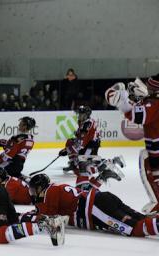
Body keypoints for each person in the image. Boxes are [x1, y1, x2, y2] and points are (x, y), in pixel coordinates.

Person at [27, 173, 159, 238]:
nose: (32, 194)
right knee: (141, 219)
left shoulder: (49, 193)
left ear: (40, 187)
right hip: (102, 199)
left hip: (96, 208)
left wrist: (29, 215)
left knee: (135, 229)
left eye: (33, 190)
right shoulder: (55, 188)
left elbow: (50, 219)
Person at [106, 75, 159, 213]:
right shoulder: (153, 102)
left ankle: (157, 202)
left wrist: (122, 101)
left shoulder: (155, 103)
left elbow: (138, 115)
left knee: (146, 162)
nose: (147, 89)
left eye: (150, 87)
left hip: (157, 150)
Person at [59, 105, 124, 190]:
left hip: (91, 145)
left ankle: (109, 164)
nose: (79, 115)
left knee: (84, 164)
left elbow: (81, 142)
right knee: (86, 161)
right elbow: (80, 138)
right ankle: (112, 162)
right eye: (79, 114)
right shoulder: (83, 122)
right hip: (88, 145)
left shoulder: (87, 123)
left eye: (81, 114)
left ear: (86, 115)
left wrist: (67, 150)